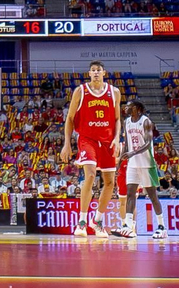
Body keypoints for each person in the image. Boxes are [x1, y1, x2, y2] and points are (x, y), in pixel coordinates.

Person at [59, 61, 122, 238]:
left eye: (98, 70)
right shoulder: (81, 91)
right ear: (89, 73)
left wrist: (117, 138)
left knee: (110, 182)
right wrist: (67, 143)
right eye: (93, 70)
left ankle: (98, 221)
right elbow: (70, 118)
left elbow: (117, 119)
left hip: (108, 141)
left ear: (104, 72)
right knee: (91, 174)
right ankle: (82, 221)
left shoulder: (114, 92)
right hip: (88, 139)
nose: (95, 73)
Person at [120, 99, 172, 240]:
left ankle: (162, 227)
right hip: (132, 163)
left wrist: (132, 152)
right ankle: (128, 226)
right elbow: (127, 144)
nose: (125, 108)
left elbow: (148, 143)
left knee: (152, 196)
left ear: (136, 108)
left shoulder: (146, 121)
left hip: (147, 163)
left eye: (128, 106)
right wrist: (121, 159)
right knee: (130, 194)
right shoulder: (126, 122)